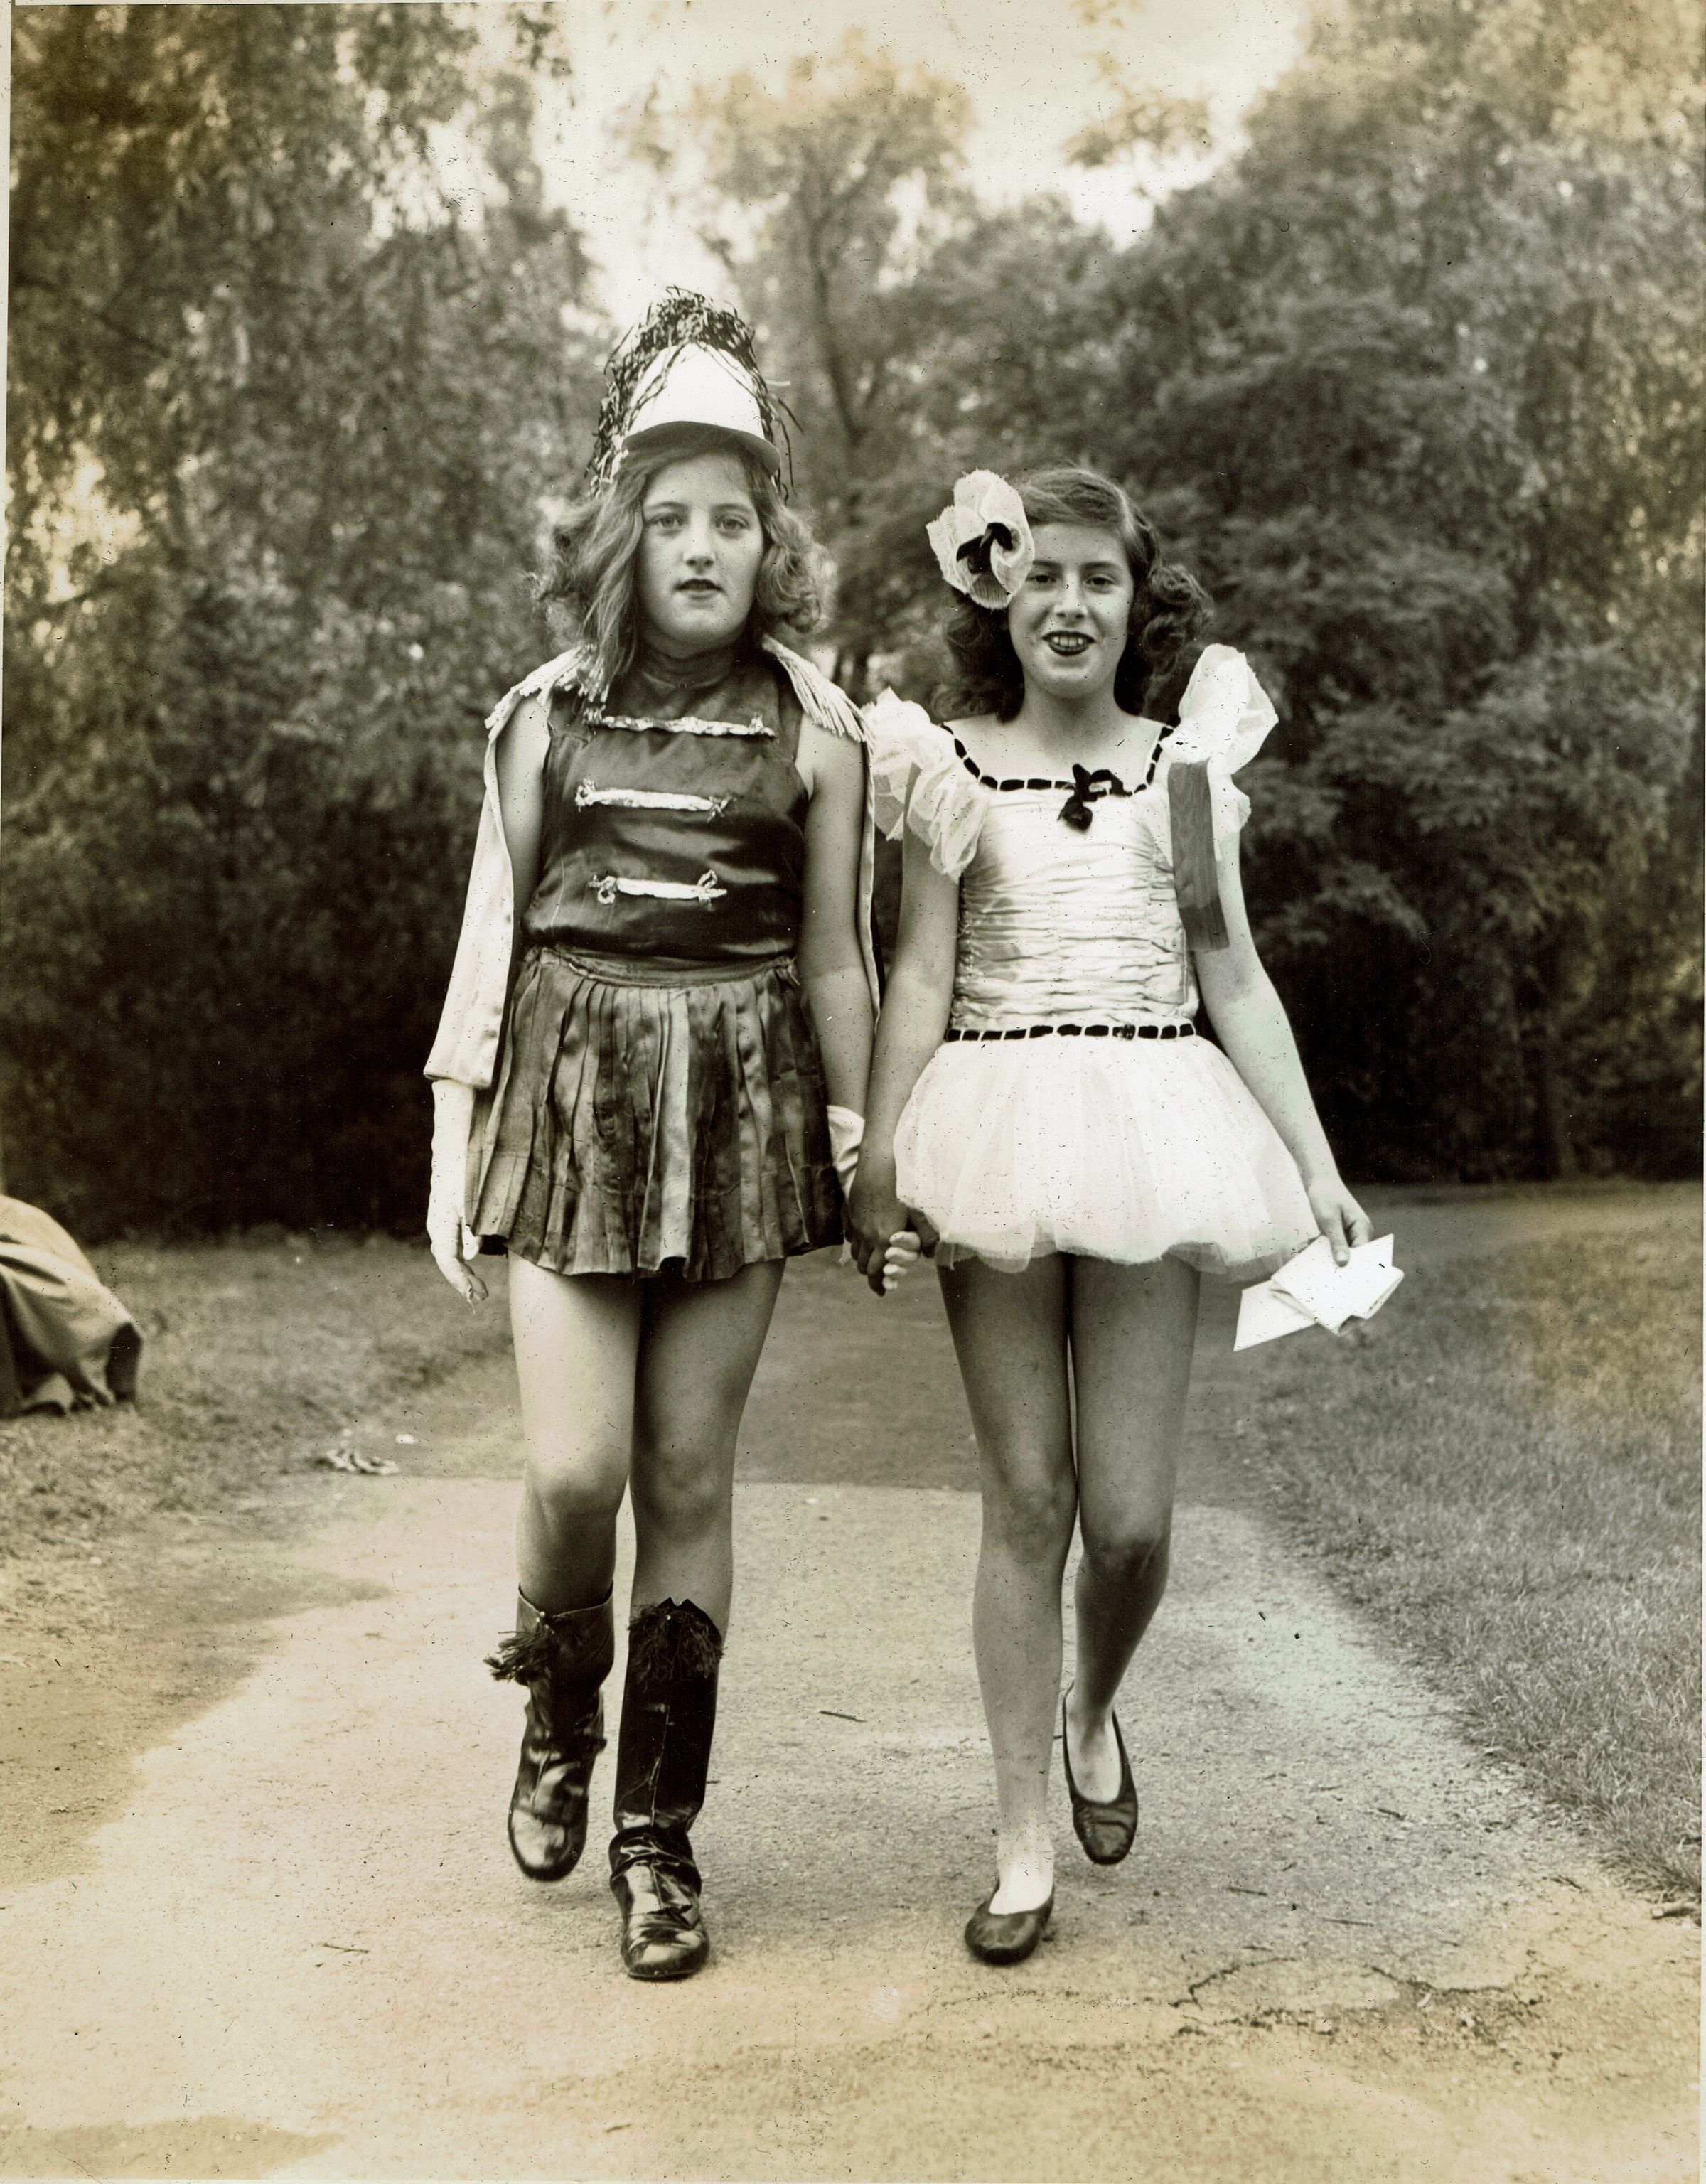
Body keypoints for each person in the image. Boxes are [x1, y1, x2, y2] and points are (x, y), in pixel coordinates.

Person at [848, 466, 1370, 1964]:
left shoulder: (1181, 770)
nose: (1068, 604)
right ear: (996, 592)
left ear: (1141, 604)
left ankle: (1093, 1704)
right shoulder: (944, 764)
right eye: (1042, 574)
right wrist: (878, 1159)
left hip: (1154, 1124)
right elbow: (922, 974)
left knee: (1129, 1521)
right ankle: (1021, 1843)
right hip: (992, 1122)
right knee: (1029, 1498)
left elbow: (1232, 974)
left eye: (1099, 578)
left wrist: (1316, 1163)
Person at [424, 293, 879, 1981]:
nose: (703, 547)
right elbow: (493, 935)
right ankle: (560, 1708)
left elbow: (838, 957)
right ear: (624, 529)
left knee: (688, 1475)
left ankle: (658, 1844)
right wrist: (453, 1131)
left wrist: (866, 1148)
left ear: (773, 545)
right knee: (573, 1472)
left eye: (733, 520)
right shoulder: (541, 714)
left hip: (744, 1102)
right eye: (673, 516)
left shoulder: (818, 727)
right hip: (572, 1096)